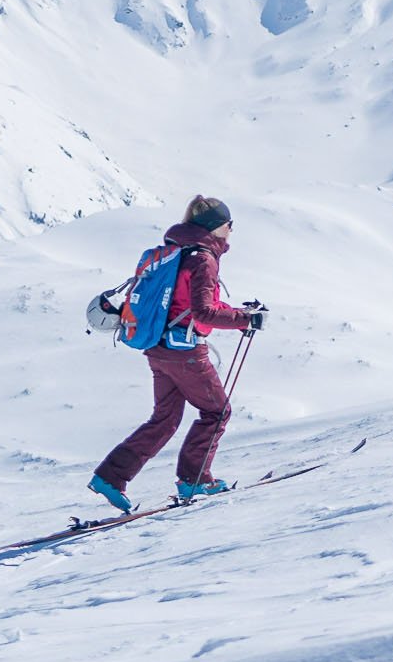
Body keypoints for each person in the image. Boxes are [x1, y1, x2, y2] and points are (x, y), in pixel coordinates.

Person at [88, 196, 264, 511]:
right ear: (215, 226)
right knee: (217, 412)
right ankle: (195, 479)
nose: (231, 230)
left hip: (157, 348)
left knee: (165, 419)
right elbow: (204, 312)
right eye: (229, 224)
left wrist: (239, 314)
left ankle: (111, 477)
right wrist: (245, 319)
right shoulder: (203, 259)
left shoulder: (177, 252)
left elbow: (190, 305)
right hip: (185, 351)